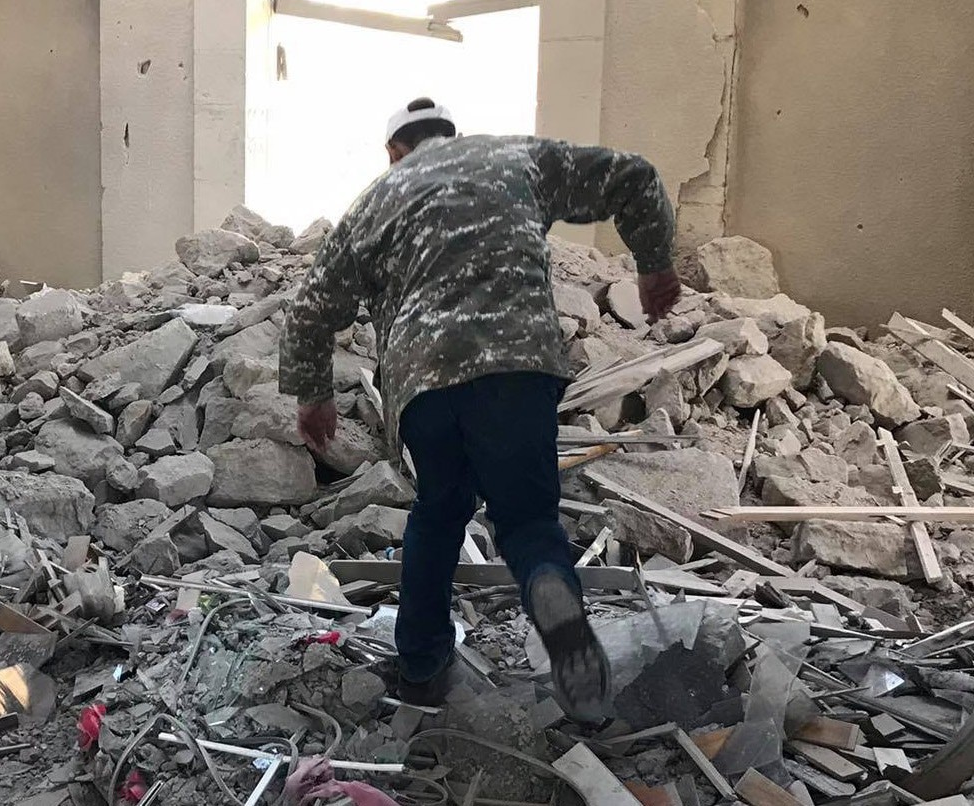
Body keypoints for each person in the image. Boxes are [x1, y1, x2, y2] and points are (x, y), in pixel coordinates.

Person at [278, 97, 680, 720]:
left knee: (439, 512)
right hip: (517, 366)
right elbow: (634, 176)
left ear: (394, 151)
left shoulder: (377, 199)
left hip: (424, 381)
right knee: (527, 520)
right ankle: (549, 588)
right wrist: (653, 265)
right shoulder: (514, 157)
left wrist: (314, 395)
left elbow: (310, 308)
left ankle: (420, 668)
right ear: (451, 133)